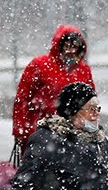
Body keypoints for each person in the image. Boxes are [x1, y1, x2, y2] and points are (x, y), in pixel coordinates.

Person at [12, 25, 94, 157]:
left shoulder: (83, 70)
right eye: (67, 46)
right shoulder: (39, 65)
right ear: (59, 46)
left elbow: (91, 103)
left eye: (75, 46)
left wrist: (91, 130)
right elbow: (22, 99)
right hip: (41, 134)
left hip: (74, 136)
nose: (71, 51)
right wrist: (20, 131)